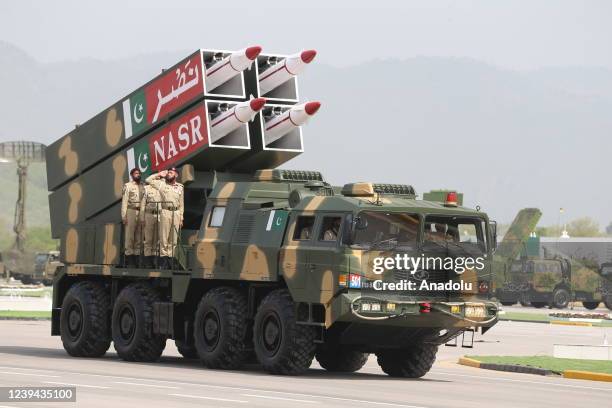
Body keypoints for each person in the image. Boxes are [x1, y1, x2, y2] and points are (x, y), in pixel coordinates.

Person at [145, 168, 184, 269]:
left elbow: (181, 204)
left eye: (171, 173)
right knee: (164, 238)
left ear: (176, 175)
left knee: (173, 239)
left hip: (176, 213)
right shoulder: (162, 184)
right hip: (165, 212)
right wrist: (159, 174)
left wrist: (181, 217)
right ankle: (163, 262)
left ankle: (170, 261)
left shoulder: (180, 187)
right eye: (168, 172)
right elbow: (148, 180)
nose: (169, 174)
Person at [121, 168, 144, 267]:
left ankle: (137, 258)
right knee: (130, 236)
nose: (138, 175)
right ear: (132, 175)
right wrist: (124, 216)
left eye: (139, 173)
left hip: (141, 211)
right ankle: (129, 259)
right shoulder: (128, 186)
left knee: (139, 236)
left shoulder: (143, 186)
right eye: (136, 173)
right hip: (131, 210)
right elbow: (124, 201)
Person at [139, 183, 162, 268]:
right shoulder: (147, 188)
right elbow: (143, 204)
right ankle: (147, 261)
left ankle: (154, 260)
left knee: (157, 239)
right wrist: (142, 218)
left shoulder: (162, 187)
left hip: (159, 215)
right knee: (148, 239)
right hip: (149, 215)